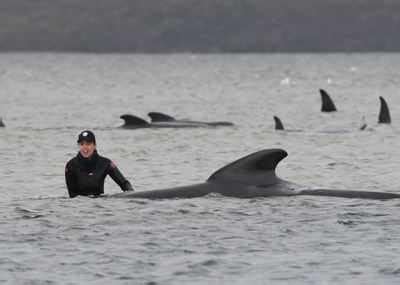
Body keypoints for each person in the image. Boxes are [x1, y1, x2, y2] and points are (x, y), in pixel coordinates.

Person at [65, 130, 134, 198]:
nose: (85, 147)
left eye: (88, 144)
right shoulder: (71, 165)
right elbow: (72, 195)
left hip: (100, 205)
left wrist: (132, 197)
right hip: (80, 206)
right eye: (82, 144)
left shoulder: (105, 163)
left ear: (94, 145)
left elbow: (124, 184)